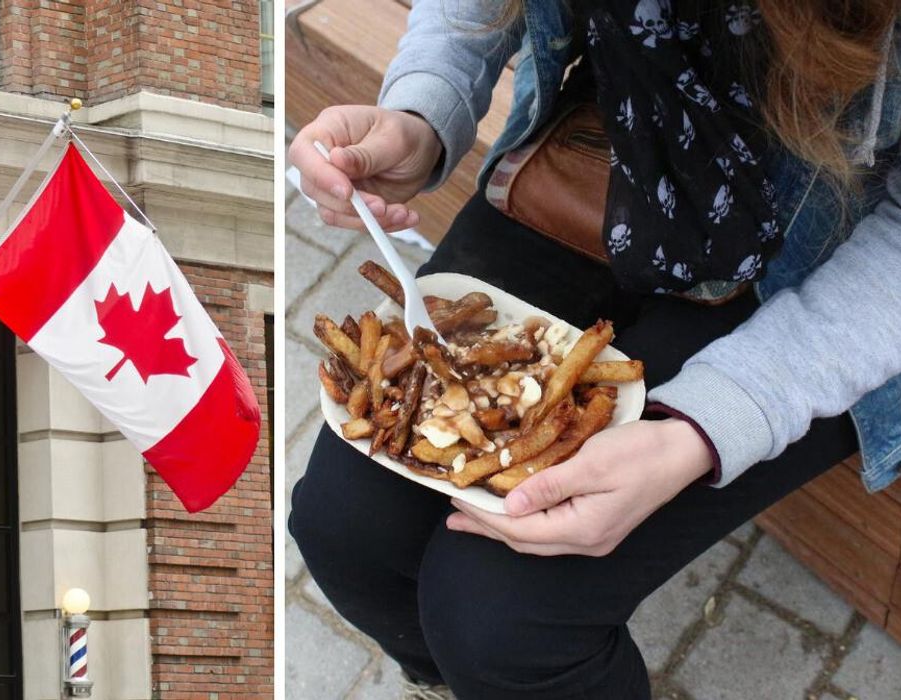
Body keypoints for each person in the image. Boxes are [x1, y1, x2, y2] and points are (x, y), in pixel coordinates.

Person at [287, 1, 901, 698]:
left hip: (833, 252)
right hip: (610, 140)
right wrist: (421, 112)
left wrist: (707, 428)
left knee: (501, 620)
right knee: (343, 532)